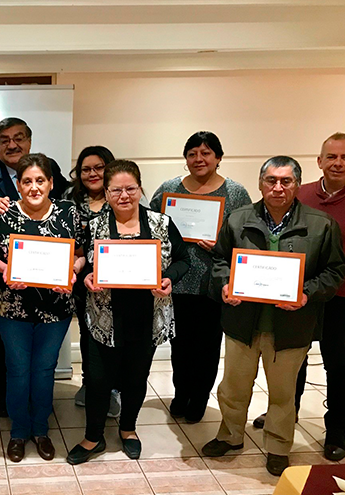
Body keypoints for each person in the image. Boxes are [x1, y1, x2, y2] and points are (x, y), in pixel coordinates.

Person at [201, 156, 345, 477]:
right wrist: (225, 284)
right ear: (260, 183)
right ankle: (230, 435)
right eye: (271, 180)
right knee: (233, 387)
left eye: (286, 181)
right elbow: (219, 260)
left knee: (282, 393)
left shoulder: (321, 224)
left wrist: (306, 293)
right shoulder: (237, 219)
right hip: (242, 323)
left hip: (291, 327)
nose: (278, 188)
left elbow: (335, 271)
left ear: (297, 185)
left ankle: (279, 447)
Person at [252, 133, 345, 461]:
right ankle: (287, 414)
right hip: (295, 297)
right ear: (320, 161)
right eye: (331, 157)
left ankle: (337, 428)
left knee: (337, 363)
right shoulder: (299, 195)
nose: (338, 163)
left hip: (341, 300)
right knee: (291, 360)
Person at [66, 160, 189, 465]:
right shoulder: (95, 226)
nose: (124, 195)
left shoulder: (161, 223)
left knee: (136, 378)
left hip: (146, 317)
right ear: (106, 193)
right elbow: (85, 263)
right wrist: (87, 277)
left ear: (140, 188)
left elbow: (183, 260)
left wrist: (168, 278)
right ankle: (93, 436)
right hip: (104, 318)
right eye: (116, 190)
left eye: (130, 188)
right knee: (98, 380)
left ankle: (128, 429)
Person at [0, 153, 85, 462]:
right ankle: (18, 432)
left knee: (44, 370)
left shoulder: (68, 212)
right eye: (27, 181)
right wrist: (5, 268)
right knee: (17, 370)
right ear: (18, 184)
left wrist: (73, 272)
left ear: (51, 183)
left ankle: (41, 430)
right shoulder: (2, 214)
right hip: (12, 308)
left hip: (55, 309)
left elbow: (81, 252)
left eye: (40, 180)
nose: (34, 187)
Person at [149, 131, 252, 423]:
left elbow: (246, 238)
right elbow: (151, 224)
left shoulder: (235, 193)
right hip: (177, 280)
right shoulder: (169, 189)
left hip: (214, 282)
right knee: (180, 345)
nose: (199, 159)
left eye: (206, 153)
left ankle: (199, 397)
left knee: (207, 347)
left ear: (218, 157)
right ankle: (181, 392)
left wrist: (220, 245)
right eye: (192, 153)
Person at [0, 117, 68, 417]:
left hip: (50, 283)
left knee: (42, 356)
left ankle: (38, 400)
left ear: (29, 140)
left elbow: (62, 212)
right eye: (4, 139)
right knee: (6, 348)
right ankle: (6, 397)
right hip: (5, 284)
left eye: (19, 137)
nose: (12, 144)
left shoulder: (49, 167)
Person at [67, 145, 121, 417]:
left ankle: (113, 388)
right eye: (86, 169)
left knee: (114, 333)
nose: (92, 174)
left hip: (116, 277)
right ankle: (90, 382)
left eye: (99, 167)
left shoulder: (121, 194)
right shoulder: (69, 198)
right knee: (88, 332)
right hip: (79, 277)